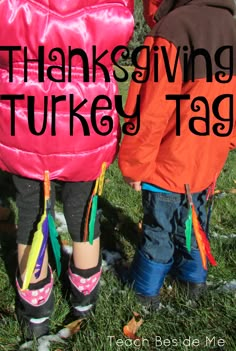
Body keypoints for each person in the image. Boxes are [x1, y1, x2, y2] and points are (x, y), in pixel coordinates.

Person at [0, 0, 134, 340]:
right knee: (83, 215)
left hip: (25, 120)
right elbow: (120, 34)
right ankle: (84, 302)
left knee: (30, 215)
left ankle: (35, 314)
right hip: (87, 119)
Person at [119, 0, 236, 309]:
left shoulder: (174, 29)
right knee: (194, 221)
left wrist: (135, 165)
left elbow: (151, 110)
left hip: (167, 162)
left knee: (159, 230)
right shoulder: (230, 25)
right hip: (208, 158)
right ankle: (193, 283)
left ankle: (144, 292)